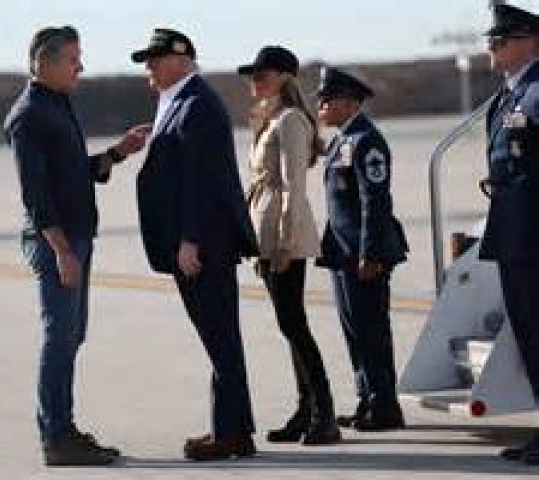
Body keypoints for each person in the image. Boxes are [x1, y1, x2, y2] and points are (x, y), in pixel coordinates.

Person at [4, 26, 148, 466]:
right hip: (57, 241)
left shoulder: (56, 104)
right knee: (60, 336)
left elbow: (69, 172)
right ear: (43, 63)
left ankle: (61, 427)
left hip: (75, 236)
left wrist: (117, 153)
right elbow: (36, 192)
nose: (80, 67)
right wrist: (62, 250)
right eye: (72, 59)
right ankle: (57, 436)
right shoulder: (29, 115)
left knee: (71, 336)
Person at [131, 28, 259, 461]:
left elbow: (203, 183)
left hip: (203, 246)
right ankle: (236, 430)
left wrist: (190, 241)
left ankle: (229, 435)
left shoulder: (197, 105)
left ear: (181, 60)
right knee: (221, 340)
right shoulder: (180, 102)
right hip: (198, 242)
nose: (149, 68)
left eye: (155, 59)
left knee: (220, 340)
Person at [236, 46, 340, 445]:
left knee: (294, 323)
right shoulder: (271, 119)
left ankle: (324, 413)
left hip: (284, 235)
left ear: (284, 76)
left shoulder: (291, 120)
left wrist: (283, 242)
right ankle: (306, 409)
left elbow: (294, 184)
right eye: (253, 74)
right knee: (289, 324)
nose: (255, 80)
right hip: (266, 234)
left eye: (262, 73)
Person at [315, 66, 408, 432]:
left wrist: (371, 253)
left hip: (363, 253)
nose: (320, 107)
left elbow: (375, 201)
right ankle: (366, 398)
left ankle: (385, 406)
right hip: (342, 251)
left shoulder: (367, 140)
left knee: (371, 330)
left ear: (349, 103)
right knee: (354, 330)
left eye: (327, 100)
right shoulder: (342, 140)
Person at [479, 3, 539, 465]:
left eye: (501, 40)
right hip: (513, 233)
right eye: (491, 40)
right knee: (527, 335)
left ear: (531, 43)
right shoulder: (508, 96)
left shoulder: (536, 92)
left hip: (533, 235)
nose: (492, 47)